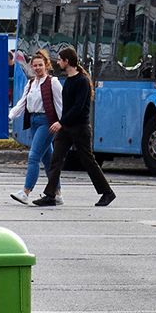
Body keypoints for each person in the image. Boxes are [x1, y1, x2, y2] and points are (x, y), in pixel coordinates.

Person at [33, 46, 116, 208]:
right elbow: (66, 107)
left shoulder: (82, 81)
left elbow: (78, 108)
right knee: (56, 160)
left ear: (67, 61)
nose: (58, 62)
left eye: (60, 60)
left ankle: (107, 192)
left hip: (80, 128)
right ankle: (50, 195)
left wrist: (61, 122)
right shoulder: (69, 80)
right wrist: (62, 122)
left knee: (88, 161)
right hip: (66, 129)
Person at [7, 50, 64, 206]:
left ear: (46, 65)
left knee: (34, 156)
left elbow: (60, 104)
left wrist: (61, 122)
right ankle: (57, 193)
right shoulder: (31, 83)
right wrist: (10, 116)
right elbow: (22, 102)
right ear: (31, 67)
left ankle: (26, 192)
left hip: (47, 122)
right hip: (33, 121)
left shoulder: (53, 82)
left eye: (40, 65)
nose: (38, 68)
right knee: (48, 160)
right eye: (35, 65)